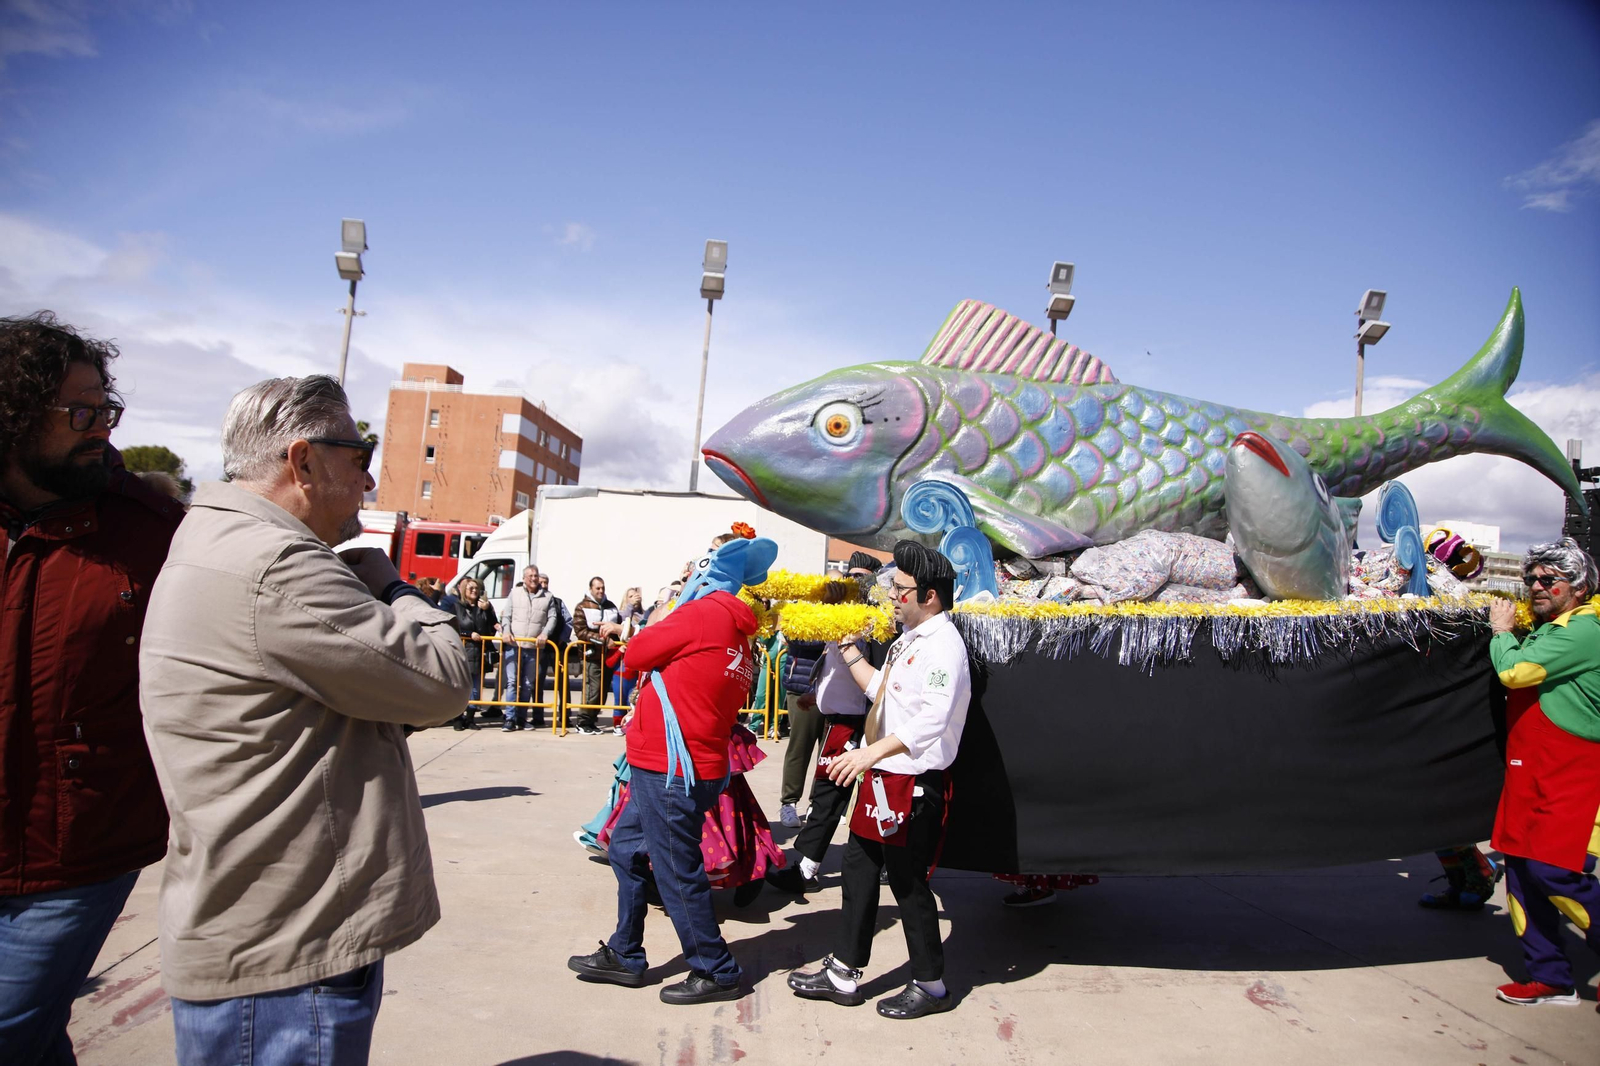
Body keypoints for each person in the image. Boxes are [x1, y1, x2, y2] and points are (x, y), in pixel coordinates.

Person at [139, 374, 471, 1065]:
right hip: (288, 956)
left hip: (267, 933)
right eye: (357, 456)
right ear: (303, 460)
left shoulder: (218, 540)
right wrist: (392, 585)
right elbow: (442, 681)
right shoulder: (276, 567)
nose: (370, 482)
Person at [0, 313, 185, 1066]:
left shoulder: (153, 529)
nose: (99, 429)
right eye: (79, 412)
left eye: (105, 410)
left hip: (77, 850)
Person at [567, 535, 777, 1005]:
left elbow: (638, 653)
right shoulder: (738, 631)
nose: (682, 585)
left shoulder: (701, 615)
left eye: (688, 578)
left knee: (677, 870)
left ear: (703, 579)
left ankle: (716, 969)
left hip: (670, 768)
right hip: (686, 765)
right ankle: (625, 952)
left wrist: (661, 618)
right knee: (625, 849)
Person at [789, 541, 971, 1020]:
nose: (893, 597)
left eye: (901, 590)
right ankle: (843, 971)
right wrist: (845, 648)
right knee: (857, 869)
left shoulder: (943, 646)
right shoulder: (907, 640)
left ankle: (931, 985)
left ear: (929, 596)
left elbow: (931, 718)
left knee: (909, 885)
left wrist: (869, 752)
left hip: (911, 783)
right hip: (882, 777)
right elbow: (882, 694)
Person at [1484, 537, 1600, 1007]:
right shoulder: (1552, 626)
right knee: (1522, 875)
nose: (1536, 586)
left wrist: (1500, 631)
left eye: (1548, 579)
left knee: (1555, 870)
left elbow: (1517, 673)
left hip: (1571, 771)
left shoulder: (1586, 629)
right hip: (1527, 770)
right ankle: (1550, 976)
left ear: (1578, 585)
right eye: (1530, 577)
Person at [774, 552, 882, 835]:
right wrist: (828, 607)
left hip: (841, 699)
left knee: (830, 755)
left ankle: (816, 804)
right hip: (805, 688)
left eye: (860, 578)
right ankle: (789, 801)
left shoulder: (868, 611)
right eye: (850, 577)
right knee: (800, 748)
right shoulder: (813, 604)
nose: (852, 582)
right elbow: (800, 638)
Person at [503, 564, 558, 730]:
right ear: (524, 578)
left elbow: (552, 618)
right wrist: (506, 631)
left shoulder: (548, 597)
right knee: (512, 682)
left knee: (527, 684)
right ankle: (510, 718)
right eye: (530, 576)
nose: (534, 579)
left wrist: (544, 634)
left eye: (535, 575)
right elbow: (507, 615)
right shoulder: (515, 593)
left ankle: (521, 718)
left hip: (534, 648)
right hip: (514, 645)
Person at [443, 576, 499, 730]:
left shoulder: (484, 607)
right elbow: (452, 625)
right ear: (464, 591)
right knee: (460, 686)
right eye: (471, 588)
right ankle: (458, 718)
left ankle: (470, 718)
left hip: (479, 652)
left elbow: (492, 627)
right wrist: (468, 634)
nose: (474, 591)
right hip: (463, 651)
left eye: (476, 589)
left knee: (475, 687)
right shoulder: (456, 606)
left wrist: (487, 610)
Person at [572, 575, 622, 734]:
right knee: (592, 688)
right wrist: (602, 640)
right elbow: (580, 631)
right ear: (591, 589)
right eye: (597, 588)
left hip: (608, 657)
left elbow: (618, 626)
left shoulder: (611, 606)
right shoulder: (582, 607)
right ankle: (583, 721)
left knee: (602, 689)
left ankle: (592, 720)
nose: (601, 591)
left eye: (602, 588)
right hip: (591, 655)